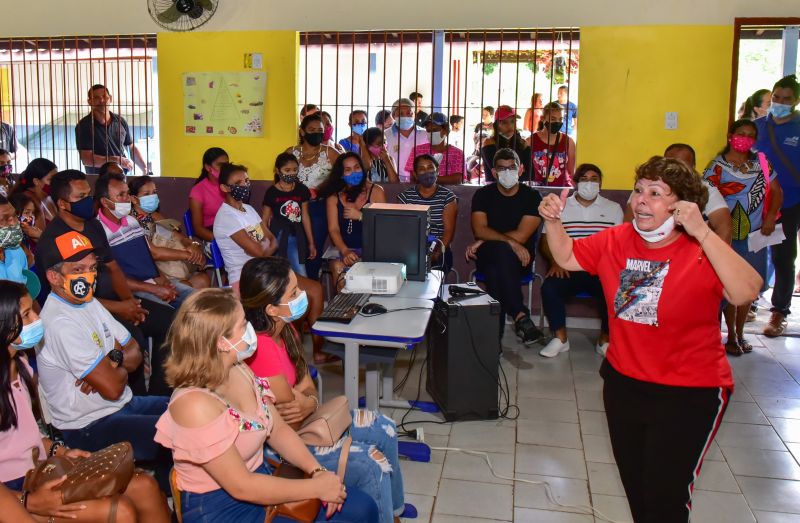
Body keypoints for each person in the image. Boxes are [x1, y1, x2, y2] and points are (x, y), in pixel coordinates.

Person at [538, 155, 762, 522]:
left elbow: (745, 291)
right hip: (625, 384)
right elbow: (568, 255)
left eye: (656, 193)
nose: (641, 199)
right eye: (639, 190)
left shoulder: (701, 249)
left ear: (683, 205)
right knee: (638, 492)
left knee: (665, 499)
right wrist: (552, 220)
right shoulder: (617, 239)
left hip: (689, 391)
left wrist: (704, 233)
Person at [154, 288, 379, 522]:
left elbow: (278, 429)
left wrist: (317, 472)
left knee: (363, 508)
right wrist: (316, 488)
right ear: (222, 342)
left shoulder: (239, 368)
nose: (250, 328)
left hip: (260, 480)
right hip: (221, 508)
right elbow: (241, 487)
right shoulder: (193, 405)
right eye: (243, 324)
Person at [239, 257, 406, 523]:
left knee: (385, 428)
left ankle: (394, 513)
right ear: (271, 309)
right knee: (371, 465)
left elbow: (306, 389)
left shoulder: (286, 329)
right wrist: (307, 399)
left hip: (306, 422)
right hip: (285, 446)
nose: (302, 295)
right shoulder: (261, 348)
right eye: (293, 293)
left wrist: (309, 401)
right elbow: (289, 410)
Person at [0, 281, 171, 522]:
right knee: (120, 511)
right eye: (27, 315)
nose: (38, 319)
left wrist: (60, 450)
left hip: (38, 471)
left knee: (145, 487)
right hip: (13, 490)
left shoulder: (20, 365)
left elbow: (22, 438)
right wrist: (26, 500)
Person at [38, 231, 173, 493]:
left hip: (123, 404)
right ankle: (168, 497)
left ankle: (163, 487)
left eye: (92, 268)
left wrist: (113, 359)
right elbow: (111, 387)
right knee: (179, 433)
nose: (88, 276)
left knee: (188, 404)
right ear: (54, 277)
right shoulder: (59, 321)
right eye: (78, 269)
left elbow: (133, 350)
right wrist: (114, 367)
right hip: (90, 426)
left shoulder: (88, 303)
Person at [34, 169, 175, 396]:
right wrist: (121, 308)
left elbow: (112, 267)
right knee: (134, 341)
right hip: (84, 308)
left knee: (169, 320)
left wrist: (130, 303)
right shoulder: (53, 241)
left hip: (116, 300)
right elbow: (69, 294)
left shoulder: (92, 225)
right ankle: (133, 398)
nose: (88, 201)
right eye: (80, 197)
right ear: (62, 203)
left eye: (88, 194)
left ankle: (160, 392)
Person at [704, 119, 782, 354]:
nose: (745, 138)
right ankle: (729, 337)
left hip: (756, 235)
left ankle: (740, 333)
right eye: (741, 134)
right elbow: (705, 197)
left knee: (749, 285)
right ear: (730, 136)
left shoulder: (761, 162)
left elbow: (777, 191)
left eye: (750, 135)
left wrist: (769, 218)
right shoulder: (717, 166)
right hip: (727, 237)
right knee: (729, 286)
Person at [539, 164, 622, 358]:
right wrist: (556, 261)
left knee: (616, 289)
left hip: (599, 268)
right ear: (575, 183)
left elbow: (619, 244)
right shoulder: (562, 206)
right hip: (568, 264)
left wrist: (607, 268)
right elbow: (545, 241)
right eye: (584, 179)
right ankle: (560, 339)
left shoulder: (613, 208)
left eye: (594, 179)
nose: (589, 183)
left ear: (600, 183)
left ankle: (605, 339)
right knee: (550, 288)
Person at [466, 148, 544, 344]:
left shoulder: (532, 197)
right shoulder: (483, 195)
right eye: (502, 168)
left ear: (521, 169)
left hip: (521, 259)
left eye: (512, 167)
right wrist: (508, 241)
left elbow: (523, 234)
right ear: (493, 172)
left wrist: (486, 240)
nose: (507, 172)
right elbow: (479, 230)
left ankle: (495, 343)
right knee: (501, 252)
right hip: (488, 255)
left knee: (495, 273)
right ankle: (519, 314)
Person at [95, 172, 195, 308]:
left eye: (127, 193)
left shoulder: (131, 222)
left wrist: (163, 280)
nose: (127, 199)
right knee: (172, 316)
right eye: (120, 195)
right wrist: (154, 289)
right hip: (133, 291)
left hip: (152, 283)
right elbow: (114, 279)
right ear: (105, 202)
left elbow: (146, 258)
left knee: (198, 301)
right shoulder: (98, 231)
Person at [755, 74, 800, 338]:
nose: (780, 103)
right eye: (776, 98)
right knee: (754, 254)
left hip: (792, 202)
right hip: (758, 203)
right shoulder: (758, 127)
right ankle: (747, 300)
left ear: (796, 101)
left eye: (787, 99)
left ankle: (779, 312)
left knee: (784, 257)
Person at [623, 144, 733, 244]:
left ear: (693, 167)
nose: (676, 171)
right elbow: (628, 225)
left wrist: (713, 259)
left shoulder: (706, 188)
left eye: (682, 165)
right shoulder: (646, 186)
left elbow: (725, 228)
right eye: (671, 163)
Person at [128, 175, 210, 290]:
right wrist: (188, 255)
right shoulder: (131, 221)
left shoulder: (156, 216)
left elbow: (179, 237)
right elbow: (153, 253)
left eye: (154, 192)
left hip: (174, 265)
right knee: (186, 287)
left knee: (204, 279)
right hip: (152, 270)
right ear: (134, 199)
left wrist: (193, 245)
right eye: (146, 194)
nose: (152, 197)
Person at [322, 152, 386, 289]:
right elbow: (333, 229)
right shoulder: (334, 197)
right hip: (344, 249)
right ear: (341, 175)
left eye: (357, 167)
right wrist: (345, 251)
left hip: (372, 250)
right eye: (348, 170)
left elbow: (383, 226)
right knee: (338, 268)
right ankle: (345, 309)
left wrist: (362, 216)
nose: (354, 172)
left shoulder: (376, 191)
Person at [287, 113, 339, 280]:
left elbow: (340, 180)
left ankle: (311, 286)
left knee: (312, 251)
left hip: (318, 208)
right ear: (302, 132)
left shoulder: (330, 153)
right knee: (292, 250)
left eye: (320, 130)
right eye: (312, 130)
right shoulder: (291, 152)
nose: (317, 133)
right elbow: (280, 179)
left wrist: (320, 191)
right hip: (293, 207)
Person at [212, 163, 278, 293]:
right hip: (244, 278)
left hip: (261, 270)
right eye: (238, 182)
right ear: (225, 188)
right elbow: (259, 251)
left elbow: (273, 240)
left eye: (247, 181)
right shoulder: (227, 217)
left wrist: (261, 246)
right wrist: (263, 245)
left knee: (312, 289)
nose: (245, 185)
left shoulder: (249, 209)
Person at [398, 154, 458, 272]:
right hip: (412, 248)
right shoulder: (405, 197)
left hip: (439, 248)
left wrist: (436, 253)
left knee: (435, 269)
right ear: (415, 174)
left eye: (430, 167)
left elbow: (448, 231)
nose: (426, 172)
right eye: (421, 169)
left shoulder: (448, 197)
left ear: (438, 170)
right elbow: (402, 230)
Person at [262, 153, 316, 277]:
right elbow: (264, 221)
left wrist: (311, 242)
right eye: (287, 170)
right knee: (283, 275)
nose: (291, 173)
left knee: (300, 273)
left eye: (295, 170)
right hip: (278, 235)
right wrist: (265, 244)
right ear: (277, 171)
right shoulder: (271, 192)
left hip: (298, 235)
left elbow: (305, 216)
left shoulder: (301, 189)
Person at [75, 84, 146, 175]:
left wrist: (144, 168)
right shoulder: (84, 126)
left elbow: (131, 147)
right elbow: (87, 159)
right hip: (99, 179)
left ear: (110, 98)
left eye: (105, 96)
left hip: (122, 177)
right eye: (96, 98)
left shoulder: (120, 121)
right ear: (89, 101)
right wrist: (116, 160)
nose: (101, 100)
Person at [404, 112, 464, 184]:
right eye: (428, 130)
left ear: (446, 130)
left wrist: (429, 178)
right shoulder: (417, 150)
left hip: (448, 193)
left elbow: (458, 179)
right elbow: (414, 176)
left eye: (435, 130)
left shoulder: (457, 153)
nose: (431, 133)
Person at [529, 102, 576, 187]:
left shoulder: (569, 142)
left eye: (560, 119)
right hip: (538, 189)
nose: (557, 122)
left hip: (562, 189)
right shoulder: (530, 141)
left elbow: (571, 172)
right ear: (543, 118)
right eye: (553, 119)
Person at [480, 105, 531, 183]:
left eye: (513, 121)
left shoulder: (523, 143)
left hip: (519, 189)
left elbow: (530, 174)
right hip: (494, 189)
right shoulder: (489, 143)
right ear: (496, 125)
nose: (510, 126)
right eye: (504, 122)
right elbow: (498, 174)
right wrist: (519, 171)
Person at [188, 147, 229, 243]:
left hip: (232, 230)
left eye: (226, 165)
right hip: (213, 235)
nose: (225, 169)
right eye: (220, 165)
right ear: (207, 167)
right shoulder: (198, 191)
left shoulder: (230, 185)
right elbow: (198, 229)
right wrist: (222, 242)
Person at [385, 98, 428, 182]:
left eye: (409, 113)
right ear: (393, 116)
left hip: (419, 180)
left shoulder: (425, 134)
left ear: (414, 114)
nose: (405, 116)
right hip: (393, 180)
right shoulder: (385, 135)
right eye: (400, 114)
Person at [10, 157, 58, 227]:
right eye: (51, 179)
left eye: (57, 178)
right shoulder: (27, 202)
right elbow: (38, 234)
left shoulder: (49, 198)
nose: (56, 182)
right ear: (36, 181)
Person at [0, 195, 33, 287]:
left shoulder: (16, 249)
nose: (15, 223)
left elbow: (22, 289)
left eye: (14, 216)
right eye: (5, 219)